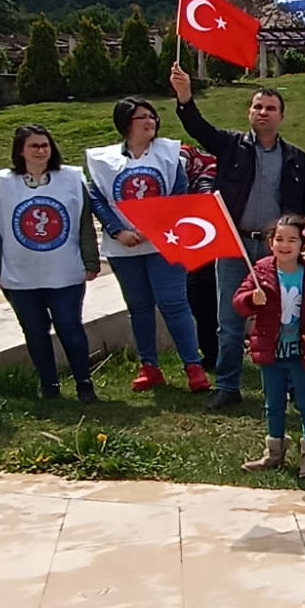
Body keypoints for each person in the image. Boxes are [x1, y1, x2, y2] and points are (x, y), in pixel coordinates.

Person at [171, 63, 305, 408]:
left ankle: (289, 384)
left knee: (285, 317)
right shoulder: (231, 146)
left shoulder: (296, 159)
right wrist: (185, 98)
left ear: (282, 116)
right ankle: (228, 385)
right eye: (257, 107)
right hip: (234, 245)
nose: (263, 112)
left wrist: (287, 234)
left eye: (270, 108)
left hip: (277, 252)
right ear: (249, 112)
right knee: (229, 320)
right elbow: (198, 129)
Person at [86, 96, 209, 393]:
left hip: (164, 243)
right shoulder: (105, 160)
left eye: (152, 116)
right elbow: (97, 197)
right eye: (142, 116)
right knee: (139, 307)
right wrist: (117, 230)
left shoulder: (169, 154)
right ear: (126, 122)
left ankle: (193, 366)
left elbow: (180, 194)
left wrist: (158, 228)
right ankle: (149, 366)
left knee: (174, 304)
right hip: (125, 247)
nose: (149, 121)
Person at [0, 125, 100, 401]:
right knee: (35, 331)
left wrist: (90, 259)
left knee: (70, 327)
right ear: (20, 150)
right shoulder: (0, 184)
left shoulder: (71, 178)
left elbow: (84, 223)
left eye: (45, 145)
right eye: (34, 146)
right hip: (21, 274)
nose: (41, 151)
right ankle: (49, 386)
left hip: (64, 272)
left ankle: (84, 383)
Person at [234, 214, 305, 478]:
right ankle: (274, 451)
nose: (285, 245)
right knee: (273, 402)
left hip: (302, 351)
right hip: (270, 351)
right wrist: (251, 299)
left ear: (303, 244)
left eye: (292, 239)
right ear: (271, 243)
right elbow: (239, 302)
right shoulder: (261, 271)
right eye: (279, 239)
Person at [182, 142, 221, 372]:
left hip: (215, 242)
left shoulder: (209, 171)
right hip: (192, 246)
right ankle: (210, 354)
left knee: (212, 301)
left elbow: (208, 194)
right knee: (199, 301)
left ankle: (218, 354)